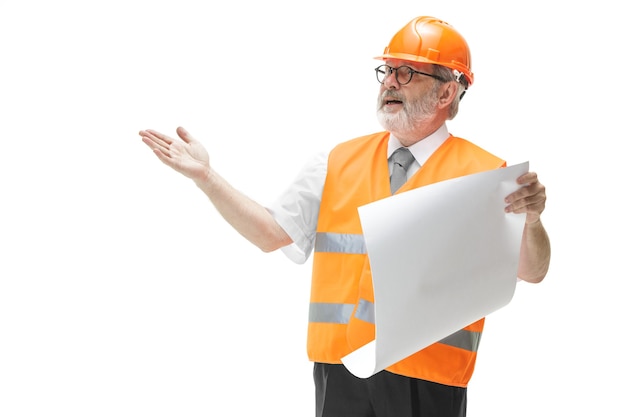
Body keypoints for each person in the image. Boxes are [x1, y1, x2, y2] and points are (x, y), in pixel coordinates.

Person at [140, 15, 550, 417]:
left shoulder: (488, 177)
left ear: (446, 94)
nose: (389, 81)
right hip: (340, 373)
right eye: (387, 70)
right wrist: (206, 177)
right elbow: (269, 234)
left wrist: (531, 221)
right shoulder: (336, 161)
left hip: (430, 379)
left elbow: (531, 272)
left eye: (407, 73)